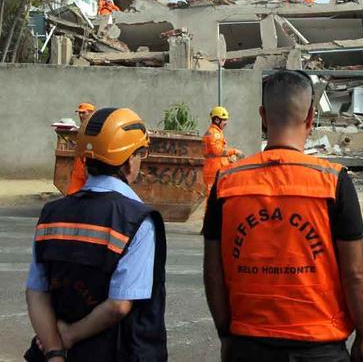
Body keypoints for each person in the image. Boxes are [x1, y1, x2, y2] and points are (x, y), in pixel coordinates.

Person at [202, 70, 363, 361]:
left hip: (248, 344)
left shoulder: (227, 182)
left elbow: (213, 272)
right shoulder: (334, 182)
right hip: (320, 346)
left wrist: (225, 335)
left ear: (263, 116)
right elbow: (355, 274)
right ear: (310, 118)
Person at [25, 107, 167, 362]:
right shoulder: (137, 220)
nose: (140, 161)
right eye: (140, 154)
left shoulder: (51, 212)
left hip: (53, 350)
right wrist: (69, 336)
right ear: (127, 161)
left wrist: (56, 351)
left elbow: (36, 291)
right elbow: (119, 305)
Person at [202, 106, 244, 191]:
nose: (226, 122)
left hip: (216, 170)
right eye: (224, 120)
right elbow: (217, 151)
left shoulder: (216, 132)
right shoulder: (214, 133)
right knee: (213, 198)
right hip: (214, 171)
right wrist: (234, 151)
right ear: (217, 120)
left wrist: (229, 159)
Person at [66, 102, 95, 195]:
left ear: (90, 113)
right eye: (79, 113)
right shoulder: (81, 127)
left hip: (90, 163)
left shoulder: (94, 127)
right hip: (79, 164)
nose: (80, 115)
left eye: (83, 113)